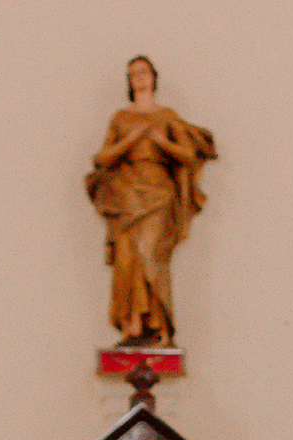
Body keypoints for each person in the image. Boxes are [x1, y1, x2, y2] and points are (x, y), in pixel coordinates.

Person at [85, 55, 216, 346]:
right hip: (126, 194)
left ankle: (160, 327)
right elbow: (102, 158)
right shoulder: (121, 118)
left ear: (154, 77)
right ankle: (132, 327)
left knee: (151, 255)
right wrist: (131, 139)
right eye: (134, 73)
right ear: (129, 81)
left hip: (158, 194)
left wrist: (162, 142)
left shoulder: (166, 116)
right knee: (126, 258)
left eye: (144, 72)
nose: (140, 77)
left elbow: (189, 156)